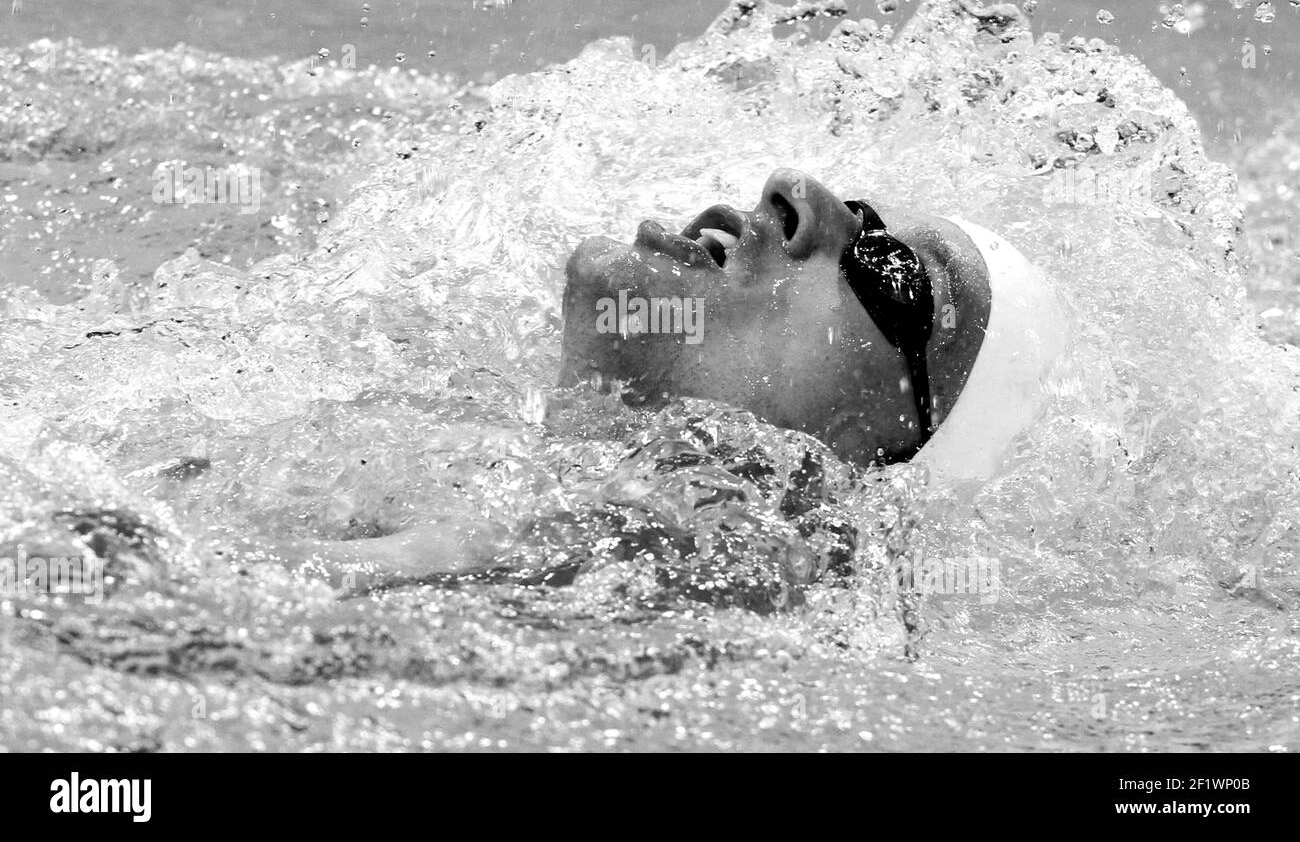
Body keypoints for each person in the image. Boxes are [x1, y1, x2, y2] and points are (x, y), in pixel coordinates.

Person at [267, 168, 1065, 588]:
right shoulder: (453, 471)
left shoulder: (673, 571)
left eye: (890, 268)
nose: (794, 191)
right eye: (862, 212)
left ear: (865, 471)